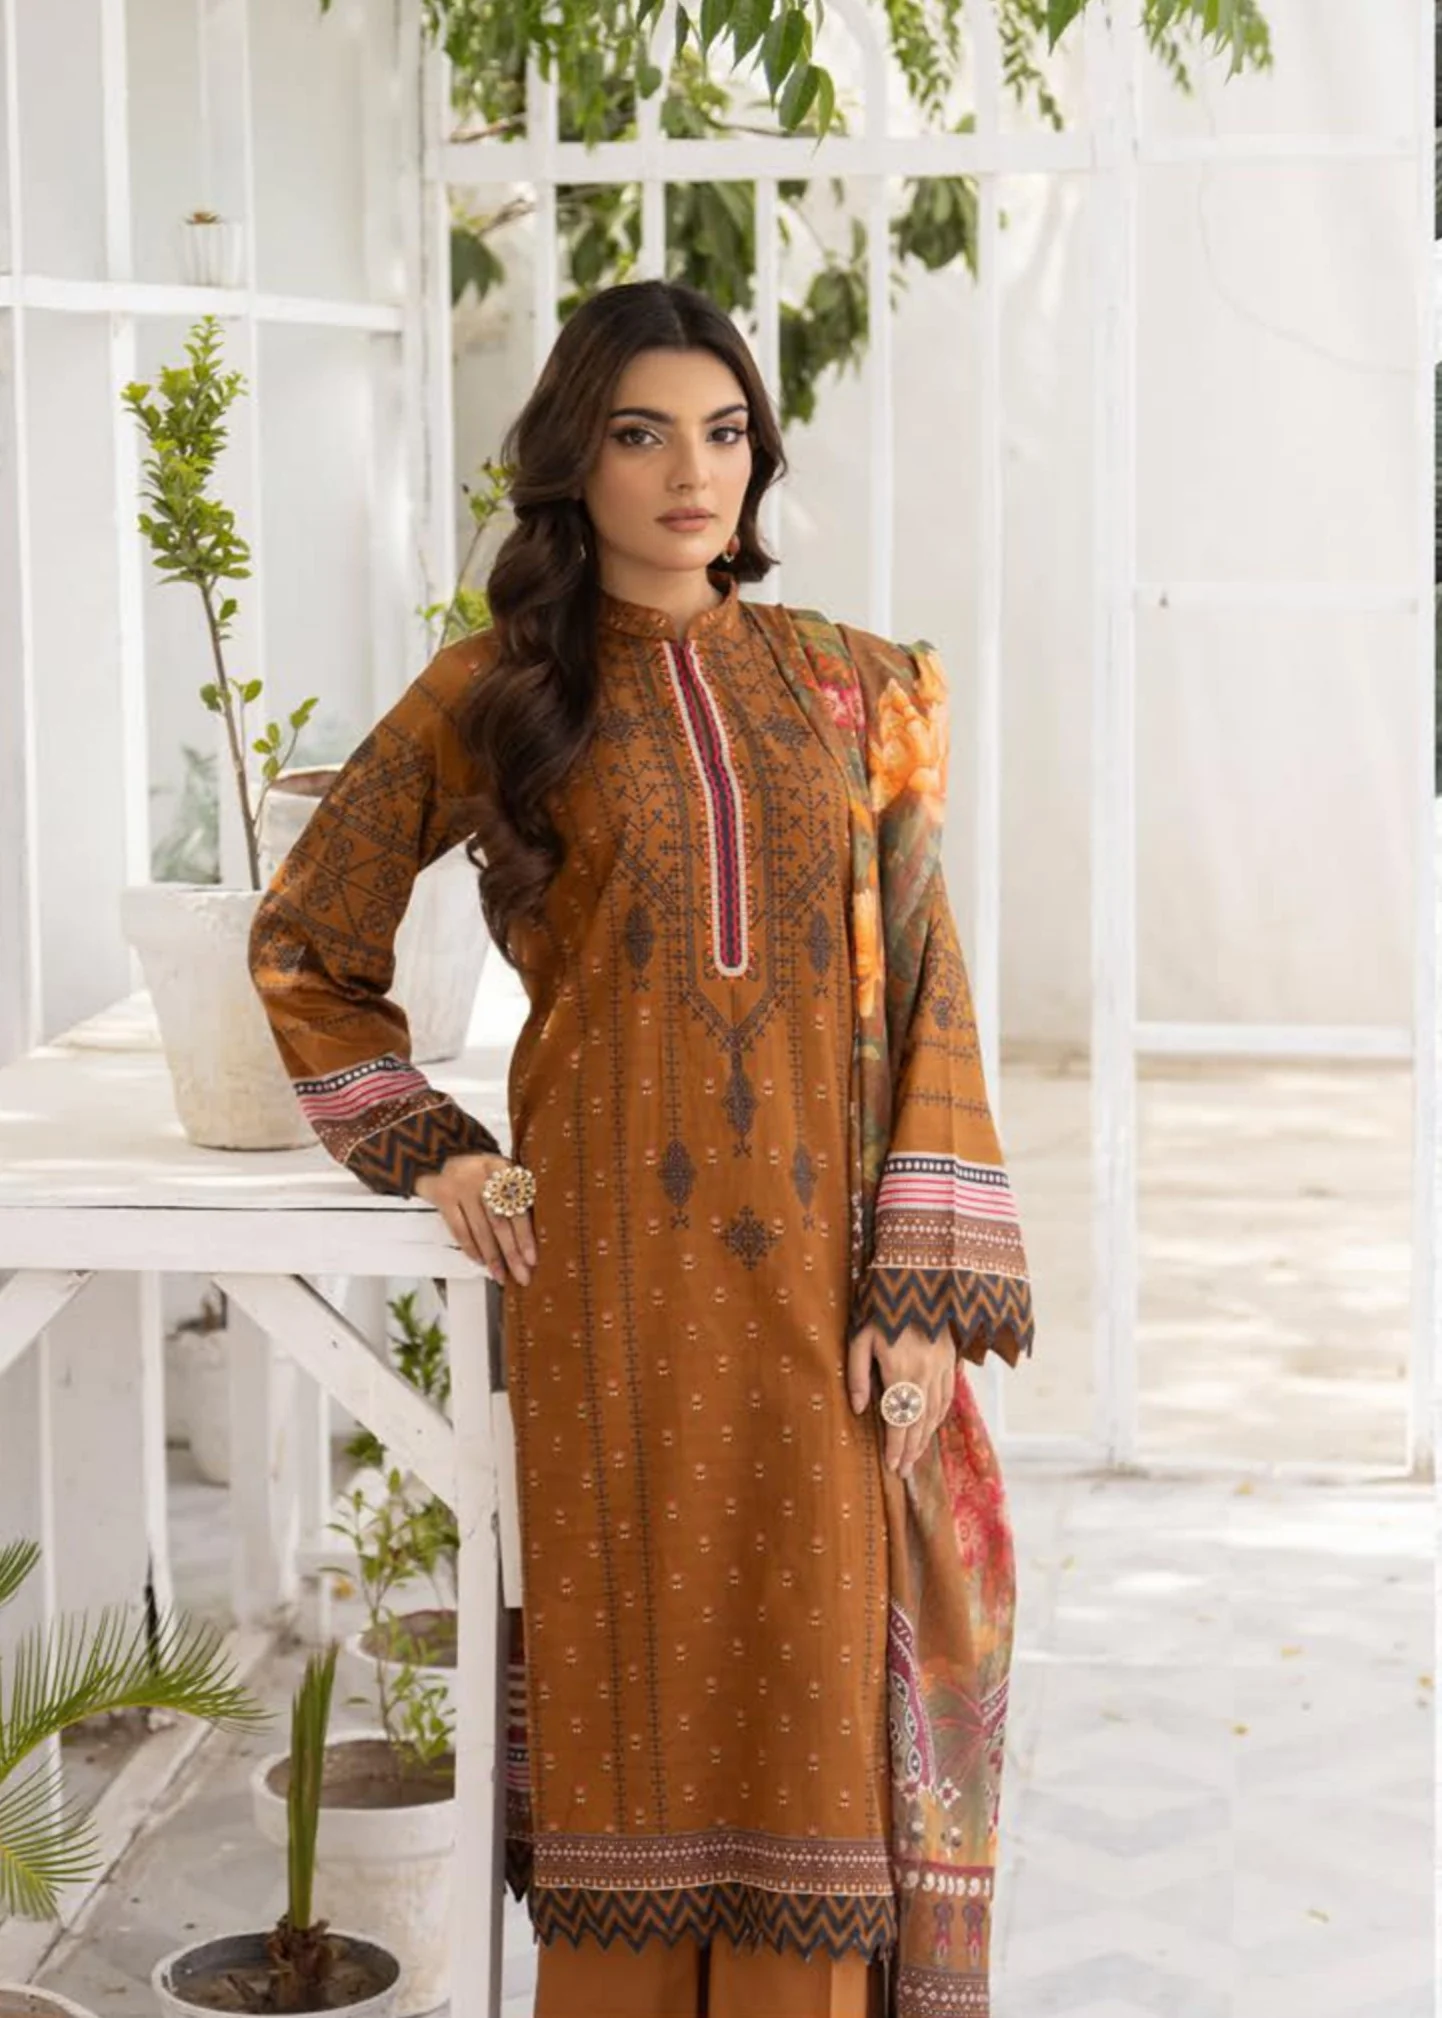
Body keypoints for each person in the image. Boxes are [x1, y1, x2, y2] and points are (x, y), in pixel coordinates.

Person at [249, 279, 1034, 2018]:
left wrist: (917, 1292)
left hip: (824, 1294)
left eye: (723, 432)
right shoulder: (498, 695)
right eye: (640, 433)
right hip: (611, 1291)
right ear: (571, 460)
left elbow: (928, 991)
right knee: (637, 1710)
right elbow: (306, 942)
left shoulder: (856, 688)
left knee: (814, 1707)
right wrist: (430, 1147)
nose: (693, 474)